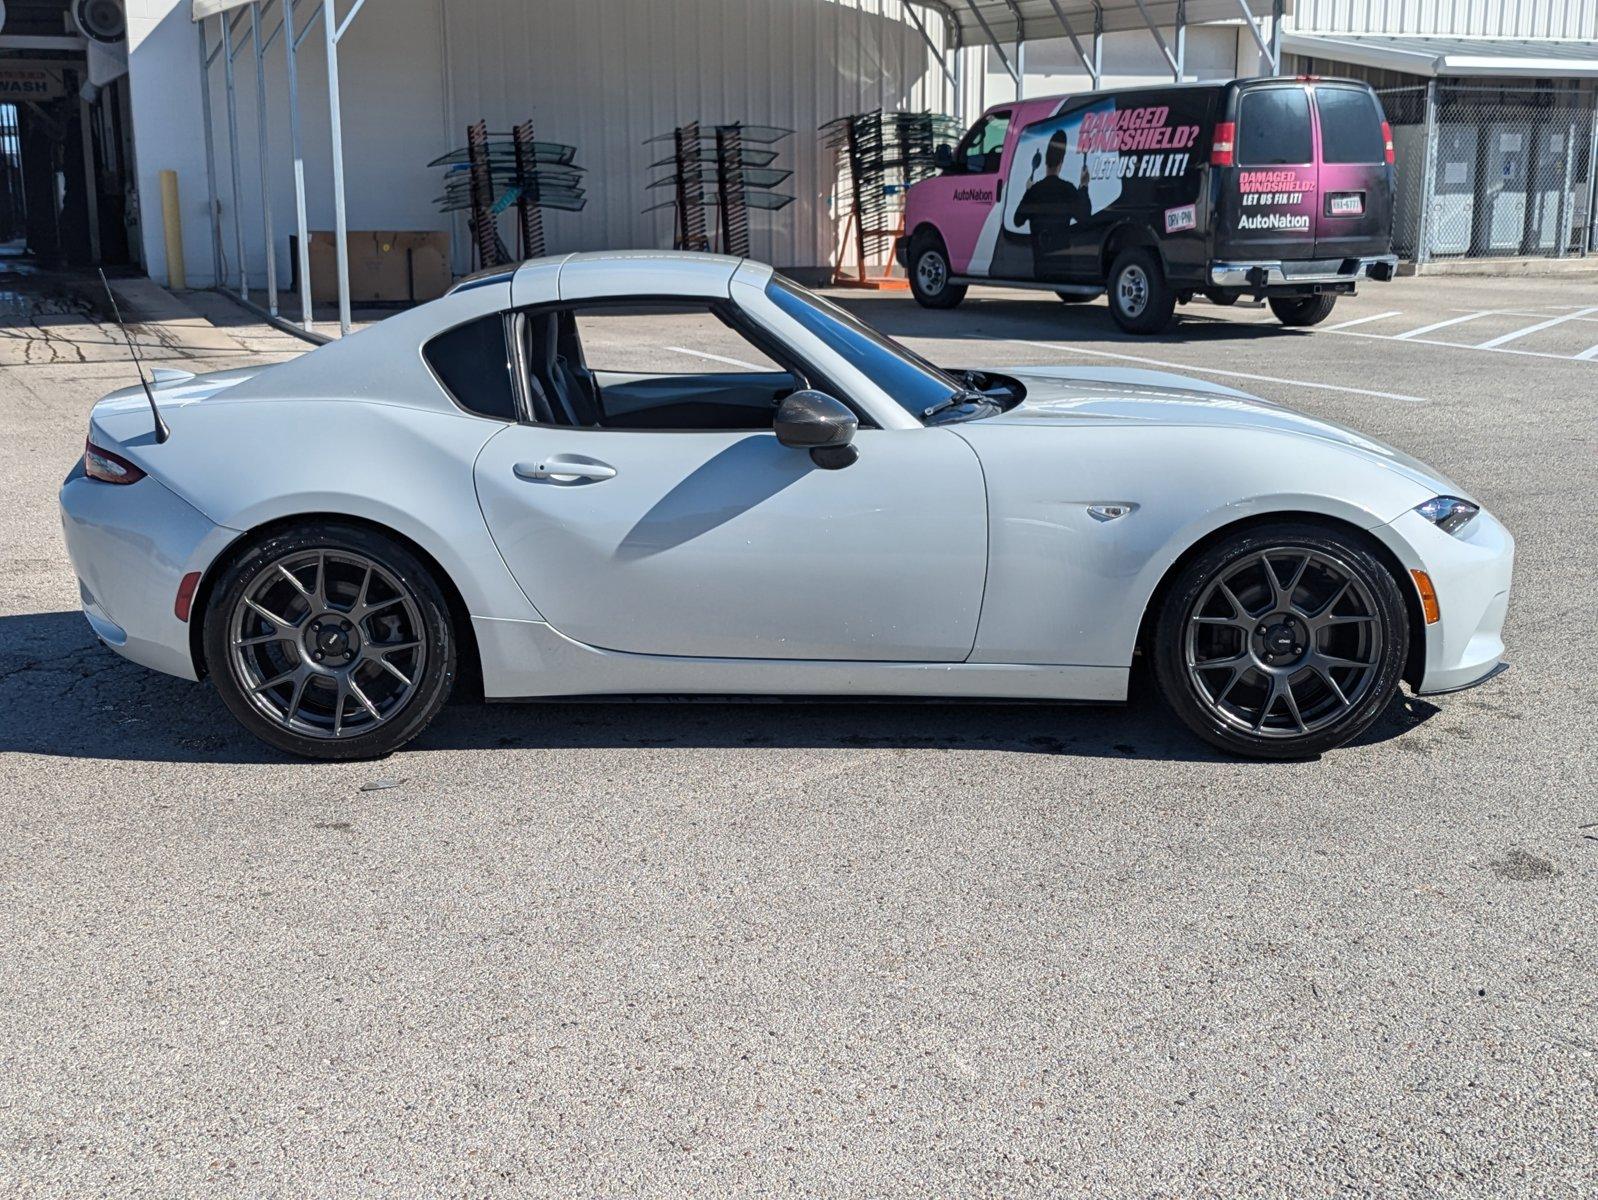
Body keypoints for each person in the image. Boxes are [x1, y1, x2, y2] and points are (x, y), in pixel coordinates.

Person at [1013, 129, 1092, 279]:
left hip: (1040, 267)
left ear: (1044, 161)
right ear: (1061, 161)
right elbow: (1085, 217)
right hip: (1063, 267)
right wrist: (1084, 186)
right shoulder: (1068, 189)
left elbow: (1017, 221)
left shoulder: (1034, 191)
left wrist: (1027, 191)